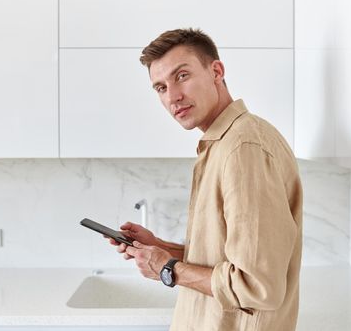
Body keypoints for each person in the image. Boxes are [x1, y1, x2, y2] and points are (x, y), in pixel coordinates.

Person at [106, 28, 303, 331]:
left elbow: (257, 285)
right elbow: (229, 260)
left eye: (182, 76)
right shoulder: (222, 144)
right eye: (160, 87)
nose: (173, 96)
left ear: (216, 71)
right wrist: (160, 248)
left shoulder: (243, 148)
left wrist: (167, 268)